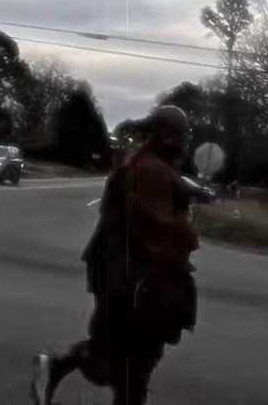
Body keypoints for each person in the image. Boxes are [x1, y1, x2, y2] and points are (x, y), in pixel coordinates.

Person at [32, 105, 199, 405]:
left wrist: (186, 193)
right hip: (133, 279)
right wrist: (188, 237)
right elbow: (157, 228)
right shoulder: (151, 171)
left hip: (125, 274)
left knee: (125, 363)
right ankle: (56, 365)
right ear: (166, 135)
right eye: (183, 134)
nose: (187, 141)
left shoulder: (147, 164)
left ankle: (56, 366)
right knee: (126, 364)